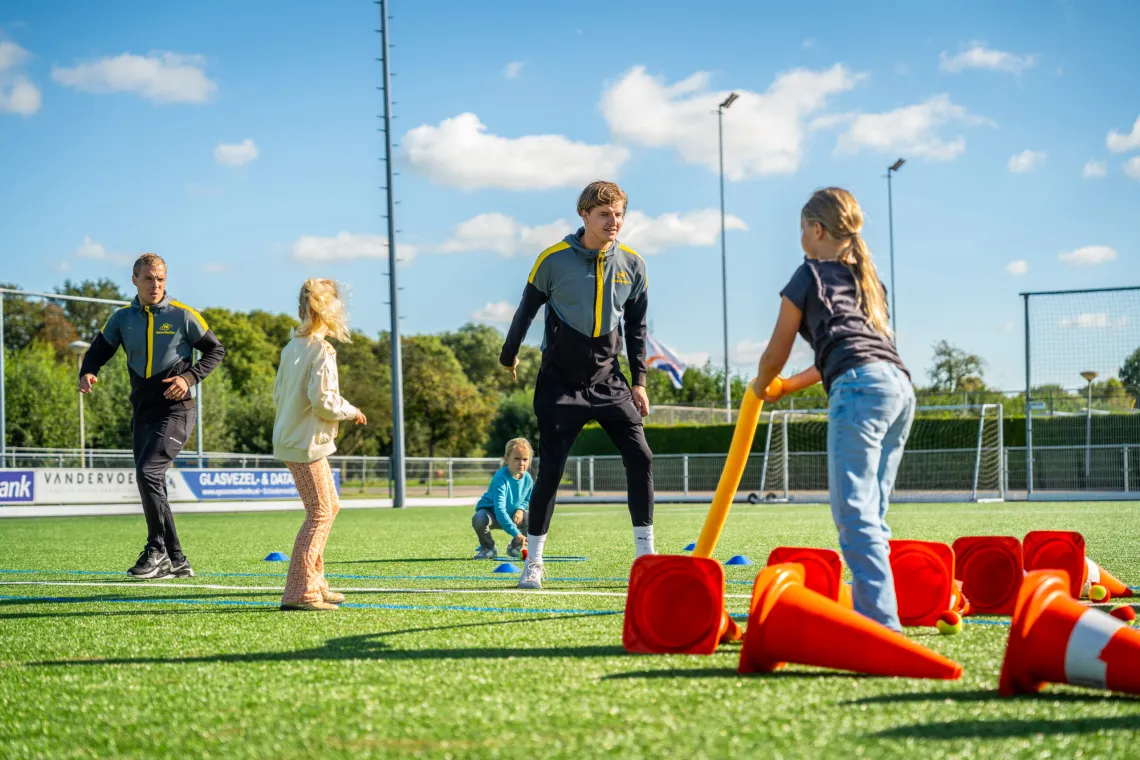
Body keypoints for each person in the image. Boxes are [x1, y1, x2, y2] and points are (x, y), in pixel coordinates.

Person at [752, 187, 915, 632]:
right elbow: (840, 357)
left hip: (861, 388)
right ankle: (881, 611)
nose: (800, 235)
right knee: (873, 511)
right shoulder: (866, 278)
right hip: (897, 387)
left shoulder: (808, 275)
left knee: (854, 513)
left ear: (816, 229)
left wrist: (761, 385)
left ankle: (880, 625)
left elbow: (775, 352)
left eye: (803, 227)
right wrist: (787, 389)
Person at [499, 180, 654, 590]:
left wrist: (639, 381)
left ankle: (646, 560)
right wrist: (508, 354)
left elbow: (637, 329)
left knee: (641, 456)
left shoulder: (634, 264)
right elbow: (525, 311)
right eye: (605, 214)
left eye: (619, 214)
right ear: (584, 215)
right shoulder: (553, 259)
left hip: (609, 382)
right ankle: (534, 563)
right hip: (560, 385)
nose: (613, 222)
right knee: (549, 471)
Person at [79, 253, 226, 579]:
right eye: (148, 278)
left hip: (177, 411)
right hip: (143, 413)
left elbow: (216, 350)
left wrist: (188, 378)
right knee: (151, 481)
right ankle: (176, 559)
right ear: (135, 280)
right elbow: (99, 349)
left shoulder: (183, 315)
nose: (155, 284)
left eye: (160, 278)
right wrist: (88, 371)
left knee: (148, 473)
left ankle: (156, 550)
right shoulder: (121, 318)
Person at [272, 278, 366, 611]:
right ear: (331, 311)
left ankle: (316, 582)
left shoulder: (292, 346)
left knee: (329, 507)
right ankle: (300, 591)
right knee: (320, 513)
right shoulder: (321, 349)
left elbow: (278, 393)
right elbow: (324, 401)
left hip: (293, 438)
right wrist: (351, 410)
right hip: (306, 443)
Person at [472, 438, 533, 560]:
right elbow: (500, 510)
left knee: (534, 519)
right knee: (479, 518)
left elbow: (527, 499)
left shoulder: (528, 479)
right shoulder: (500, 477)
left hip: (512, 516)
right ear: (506, 459)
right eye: (517, 459)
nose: (521, 463)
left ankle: (515, 547)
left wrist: (520, 509)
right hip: (492, 515)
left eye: (525, 459)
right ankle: (488, 548)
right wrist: (516, 533)